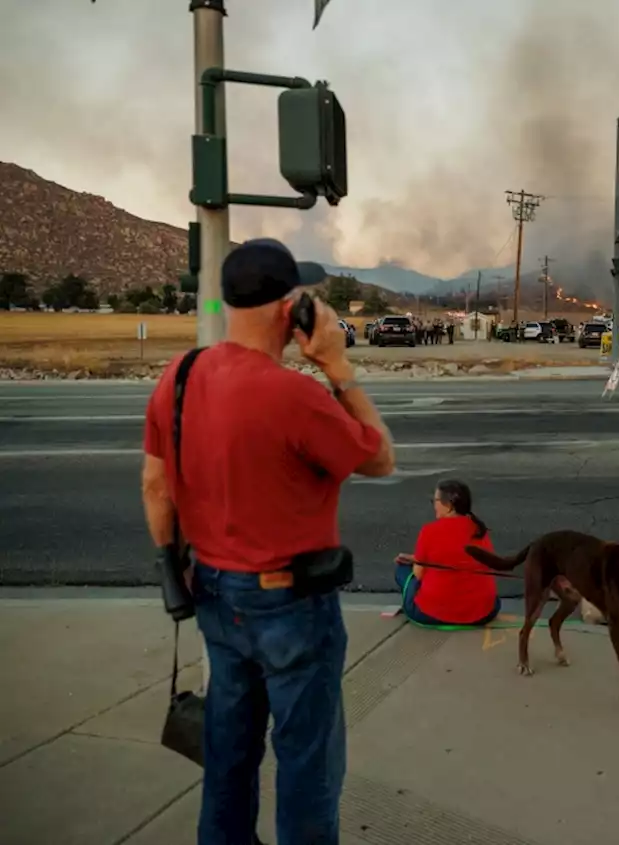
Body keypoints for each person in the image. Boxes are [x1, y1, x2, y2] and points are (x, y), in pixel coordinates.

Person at [140, 238, 396, 845]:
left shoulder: (178, 376)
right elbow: (381, 457)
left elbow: (155, 487)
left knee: (227, 757)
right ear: (291, 311)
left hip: (215, 595)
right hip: (291, 607)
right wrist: (338, 366)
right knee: (307, 763)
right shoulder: (296, 395)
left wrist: (175, 564)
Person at [395, 479, 502, 627]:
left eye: (436, 500)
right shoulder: (479, 530)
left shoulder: (429, 531)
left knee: (402, 569)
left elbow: (418, 574)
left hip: (434, 613)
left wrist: (414, 561)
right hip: (483, 612)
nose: (434, 504)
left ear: (449, 505)